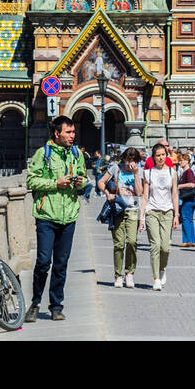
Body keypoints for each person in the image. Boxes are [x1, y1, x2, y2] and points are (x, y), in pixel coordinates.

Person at [25, 114, 87, 322]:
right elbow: (31, 181)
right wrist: (55, 183)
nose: (72, 136)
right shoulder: (43, 154)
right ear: (57, 133)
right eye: (68, 132)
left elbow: (84, 178)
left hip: (68, 215)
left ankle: (56, 305)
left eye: (73, 132)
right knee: (43, 261)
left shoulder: (76, 154)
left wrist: (80, 182)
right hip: (46, 215)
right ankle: (35, 303)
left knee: (61, 263)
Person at [99, 146, 143, 288]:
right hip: (117, 210)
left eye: (133, 161)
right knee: (118, 244)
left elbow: (139, 192)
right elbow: (101, 182)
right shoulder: (115, 168)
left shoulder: (139, 171)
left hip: (133, 210)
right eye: (128, 160)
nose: (130, 164)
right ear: (123, 159)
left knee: (131, 242)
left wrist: (136, 174)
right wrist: (107, 194)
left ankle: (129, 273)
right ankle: (118, 276)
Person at [139, 141, 179, 290]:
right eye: (158, 155)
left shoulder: (172, 172)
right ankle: (155, 278)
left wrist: (176, 215)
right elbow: (145, 196)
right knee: (155, 245)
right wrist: (141, 217)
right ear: (153, 157)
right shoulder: (148, 172)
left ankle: (162, 268)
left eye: (163, 155)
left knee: (165, 247)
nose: (161, 158)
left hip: (167, 211)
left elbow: (174, 194)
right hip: (152, 211)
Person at [177, 151, 195, 248]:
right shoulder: (187, 172)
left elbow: (192, 184)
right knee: (189, 220)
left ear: (186, 161)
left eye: (181, 161)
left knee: (185, 218)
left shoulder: (188, 172)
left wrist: (179, 186)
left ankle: (187, 241)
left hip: (189, 199)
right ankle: (192, 240)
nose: (179, 162)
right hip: (192, 198)